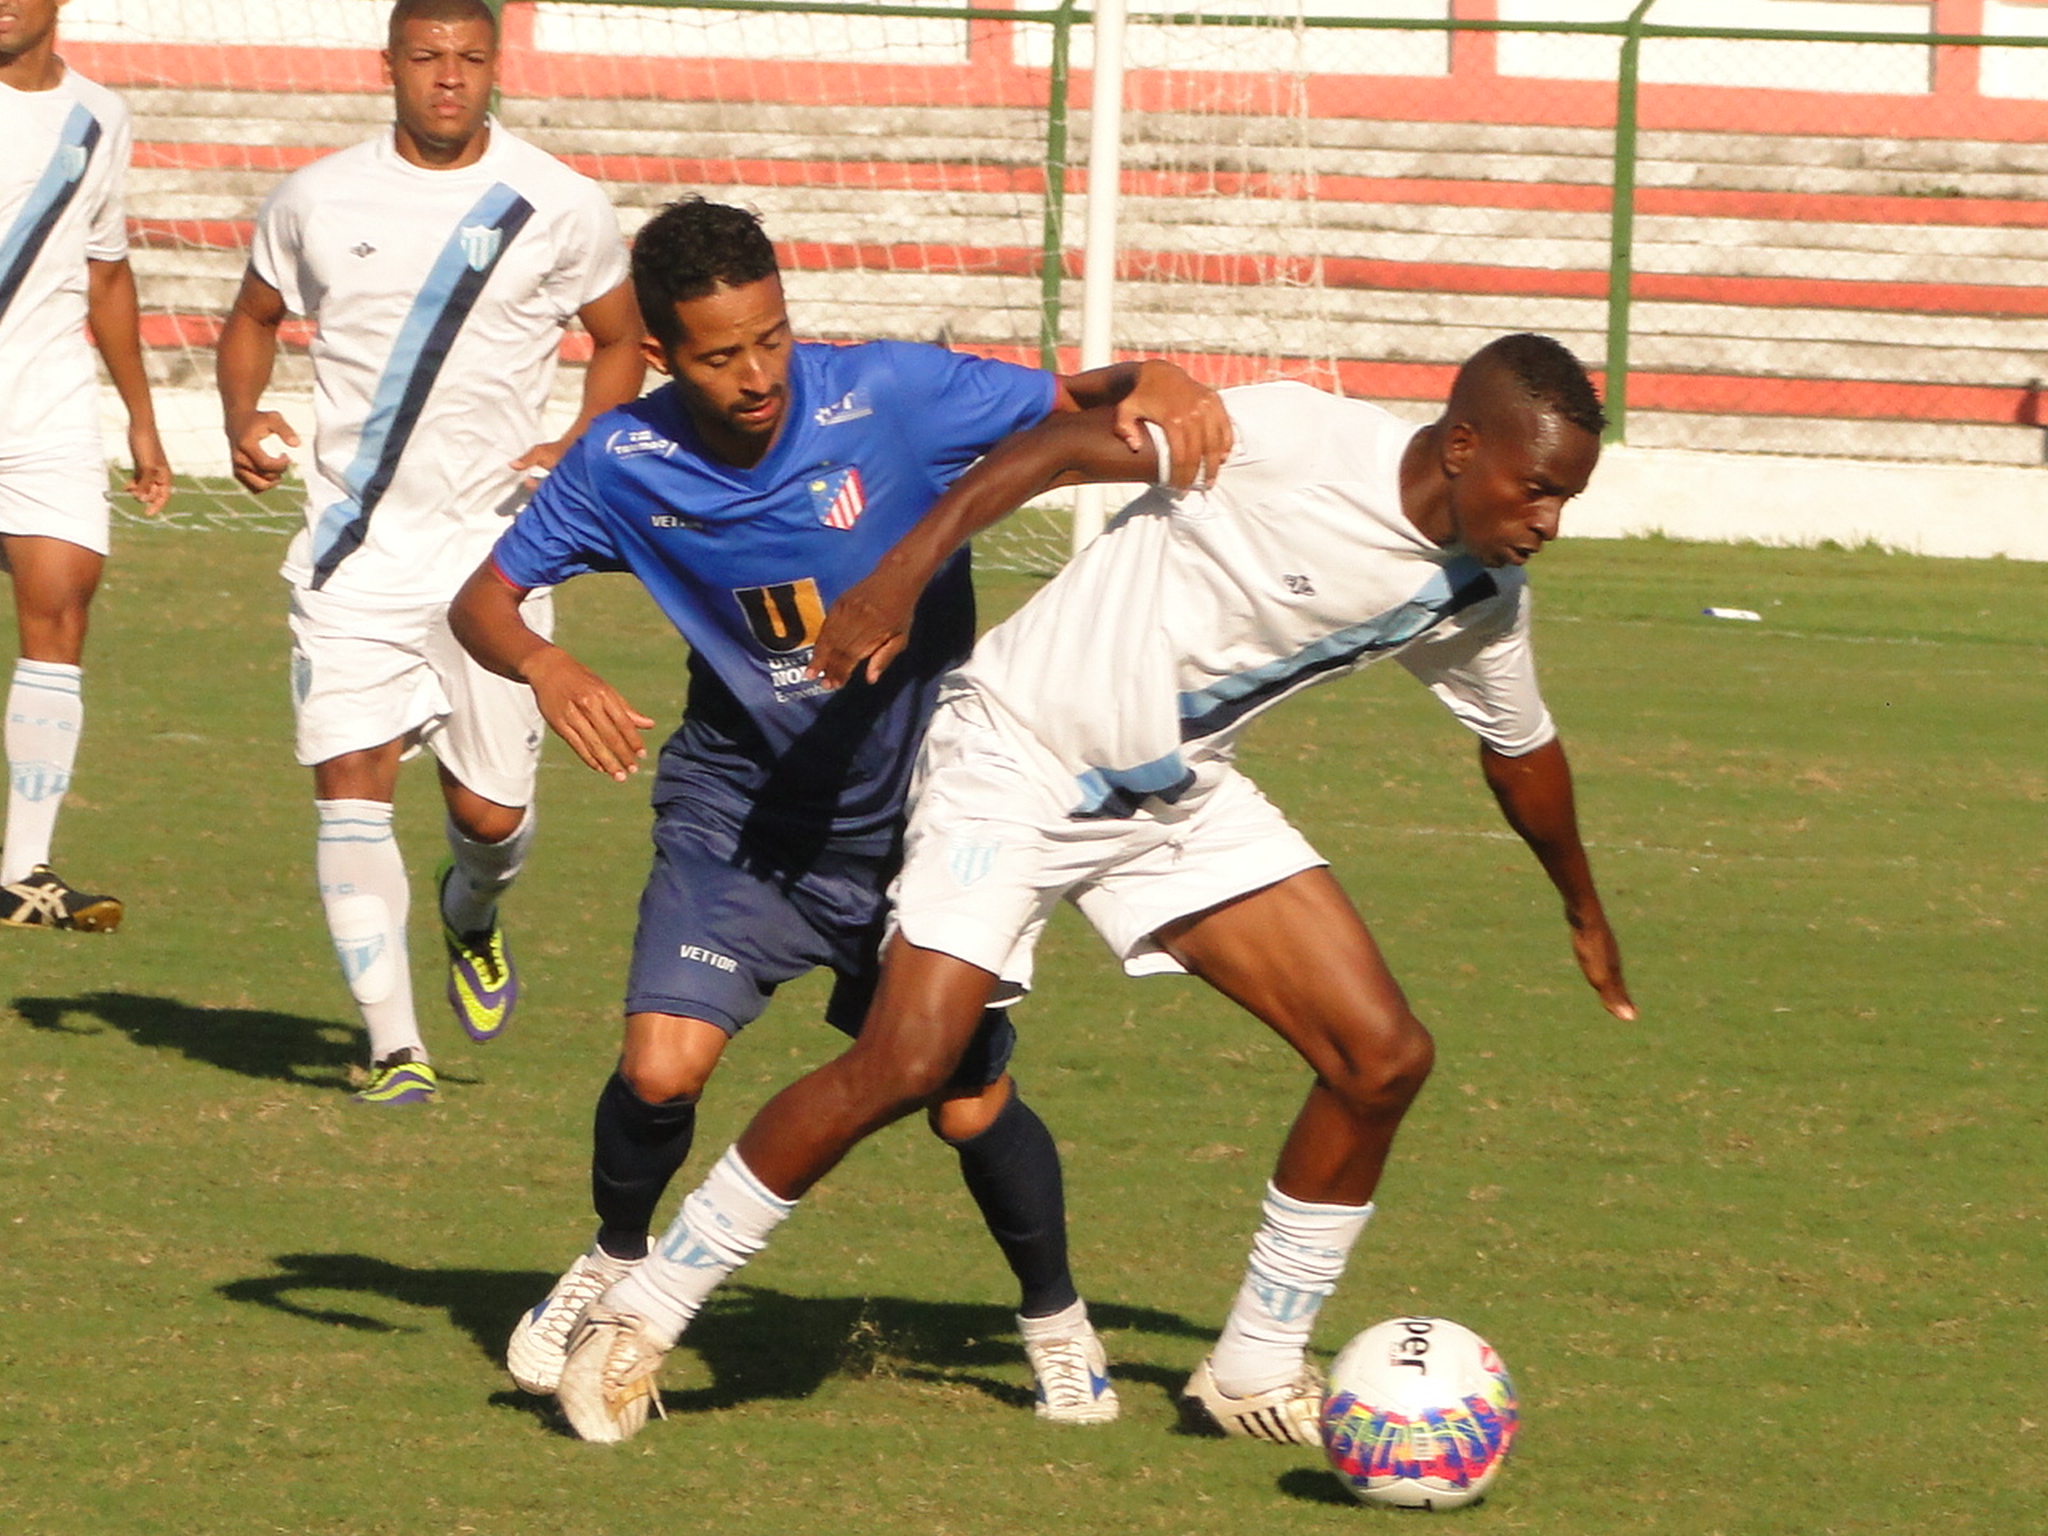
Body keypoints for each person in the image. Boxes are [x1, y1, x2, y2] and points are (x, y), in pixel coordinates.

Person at [549, 333, 1638, 1445]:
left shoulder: (1479, 593)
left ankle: (1253, 1367)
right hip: (1011, 759)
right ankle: (638, 1313)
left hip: (1169, 796)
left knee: (1381, 1058)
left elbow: (1521, 749)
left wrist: (1582, 910)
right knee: (909, 1060)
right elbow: (1060, 448)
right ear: (1461, 446)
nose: (1547, 521)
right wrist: (898, 572)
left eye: (1564, 499)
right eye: (1537, 488)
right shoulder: (1297, 438)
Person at [449, 196, 1232, 1423]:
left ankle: (1056, 1321)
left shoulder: (893, 396)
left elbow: (1077, 397)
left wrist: (1166, 373)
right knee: (658, 1072)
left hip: (926, 814)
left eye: (770, 337)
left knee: (966, 1104)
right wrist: (547, 667)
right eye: (719, 354)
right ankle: (610, 1260)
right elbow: (482, 604)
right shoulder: (620, 461)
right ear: (661, 355)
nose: (757, 374)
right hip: (742, 816)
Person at [214, 0, 643, 1103]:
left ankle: (473, 909)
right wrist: (243, 416)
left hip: (495, 560)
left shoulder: (559, 202)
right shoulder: (315, 198)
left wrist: (582, 441)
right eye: (426, 58)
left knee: (488, 819)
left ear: (495, 64)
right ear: (390, 66)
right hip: (351, 553)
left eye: (468, 58)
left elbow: (620, 336)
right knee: (348, 786)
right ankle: (393, 1049)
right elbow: (253, 315)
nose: (447, 78)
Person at [1, 0, 171, 931]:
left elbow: (105, 269)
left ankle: (24, 869)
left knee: (63, 600)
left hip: (48, 406)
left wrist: (140, 415)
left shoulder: (100, 116)